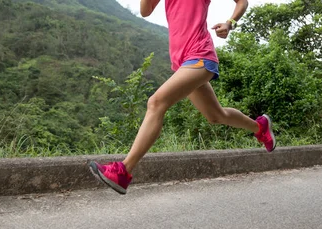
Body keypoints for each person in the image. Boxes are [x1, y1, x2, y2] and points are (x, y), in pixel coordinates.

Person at [88, 0, 276, 194]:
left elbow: (242, 2)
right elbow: (145, 11)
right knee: (216, 116)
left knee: (156, 102)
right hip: (182, 61)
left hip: (200, 55)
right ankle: (259, 127)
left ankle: (123, 171)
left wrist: (230, 23)